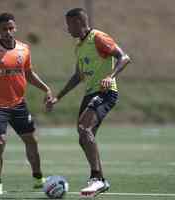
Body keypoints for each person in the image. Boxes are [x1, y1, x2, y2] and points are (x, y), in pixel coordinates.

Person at [46, 8, 131, 198]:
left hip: (105, 92)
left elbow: (124, 57)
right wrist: (58, 97)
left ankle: (97, 180)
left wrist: (111, 76)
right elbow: (78, 76)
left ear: (77, 22)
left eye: (69, 24)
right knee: (83, 136)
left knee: (85, 129)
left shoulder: (98, 37)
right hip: (90, 93)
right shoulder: (79, 46)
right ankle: (100, 180)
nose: (67, 29)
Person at [0, 13, 52, 195]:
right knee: (0, 142)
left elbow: (29, 74)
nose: (8, 32)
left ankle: (38, 178)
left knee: (31, 140)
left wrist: (46, 88)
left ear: (15, 28)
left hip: (19, 104)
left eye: (11, 28)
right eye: (4, 29)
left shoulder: (24, 49)